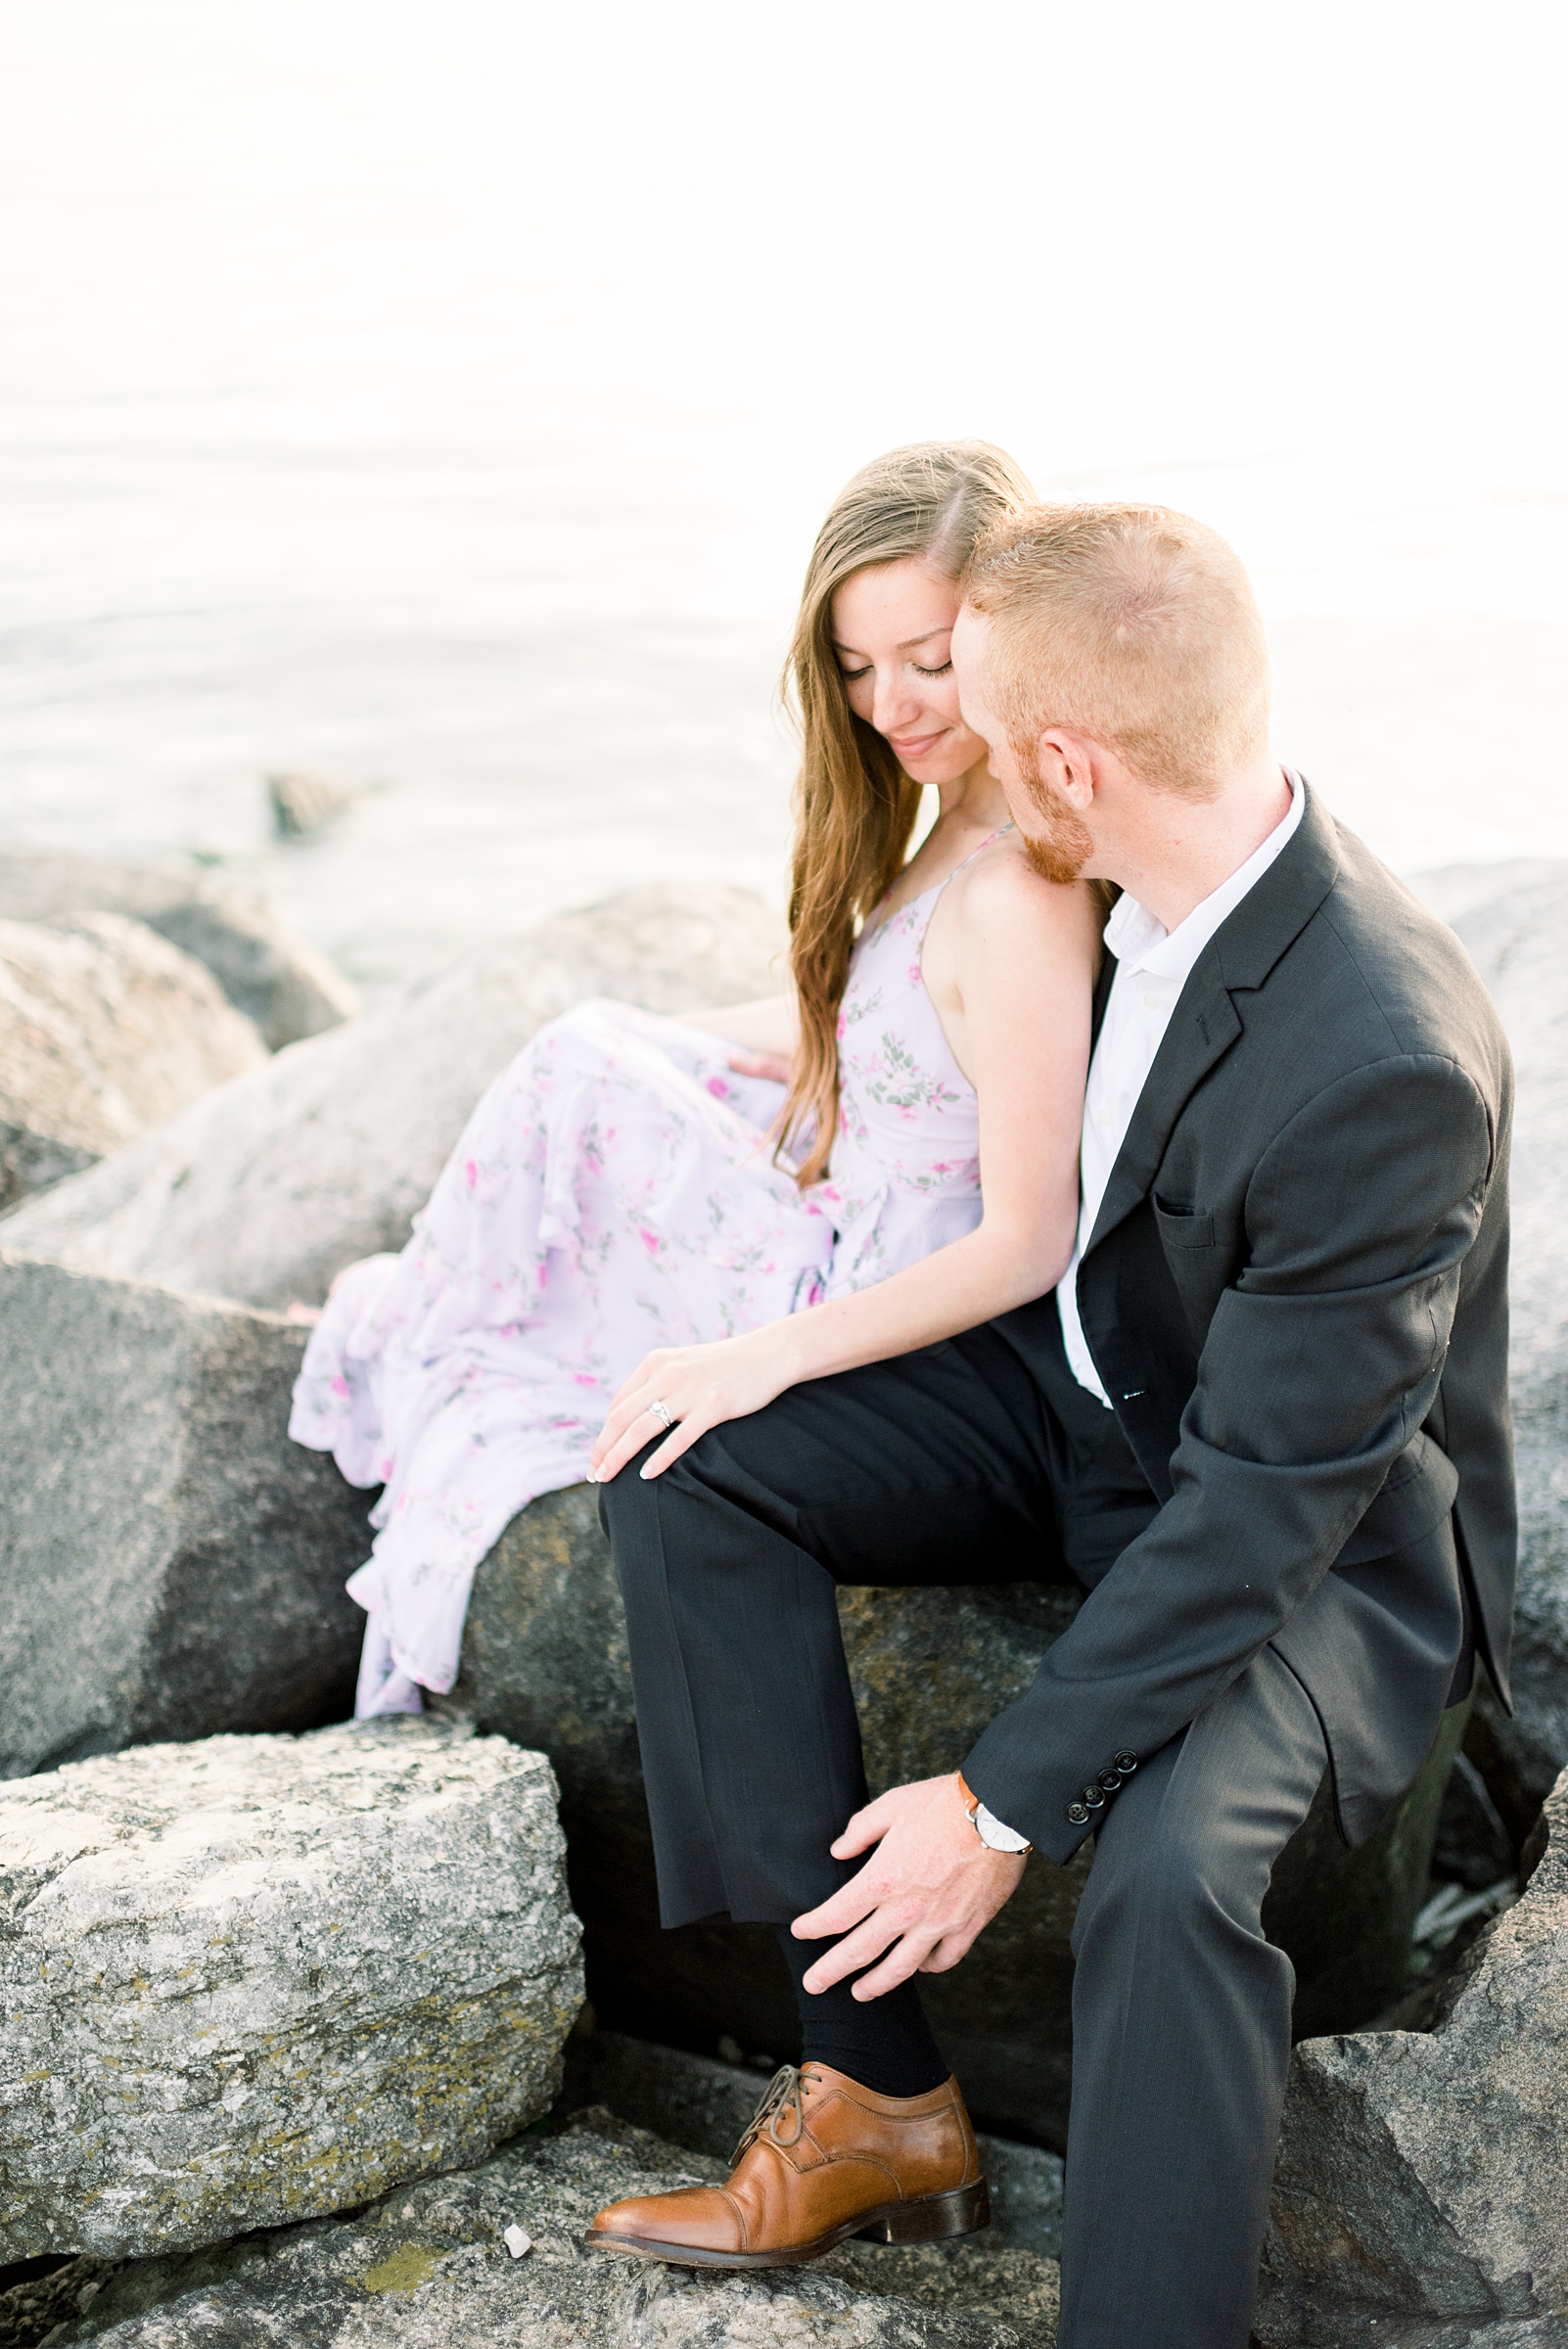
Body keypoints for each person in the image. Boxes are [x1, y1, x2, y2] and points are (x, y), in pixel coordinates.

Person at [585, 503, 1515, 2349]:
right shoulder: (1133, 864)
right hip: (1087, 1392)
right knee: (686, 1472)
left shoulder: (1379, 1058)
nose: (965, 768)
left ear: (1073, 760)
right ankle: (869, 2094)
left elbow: (1267, 1503)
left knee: (1161, 1880)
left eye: (994, 737)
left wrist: (999, 1799)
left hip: (1308, 1542)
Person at [289, 439, 1102, 1727]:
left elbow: (1027, 1237)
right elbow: (874, 1021)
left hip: (872, 1293)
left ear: (1010, 633)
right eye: (854, 667)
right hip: (846, 1196)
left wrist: (757, 1362)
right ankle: (422, 1321)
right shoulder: (953, 804)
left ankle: (414, 1334)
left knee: (579, 1070)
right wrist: (654, 1044)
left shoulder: (1019, 892)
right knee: (596, 1049)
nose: (889, 704)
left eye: (928, 660)